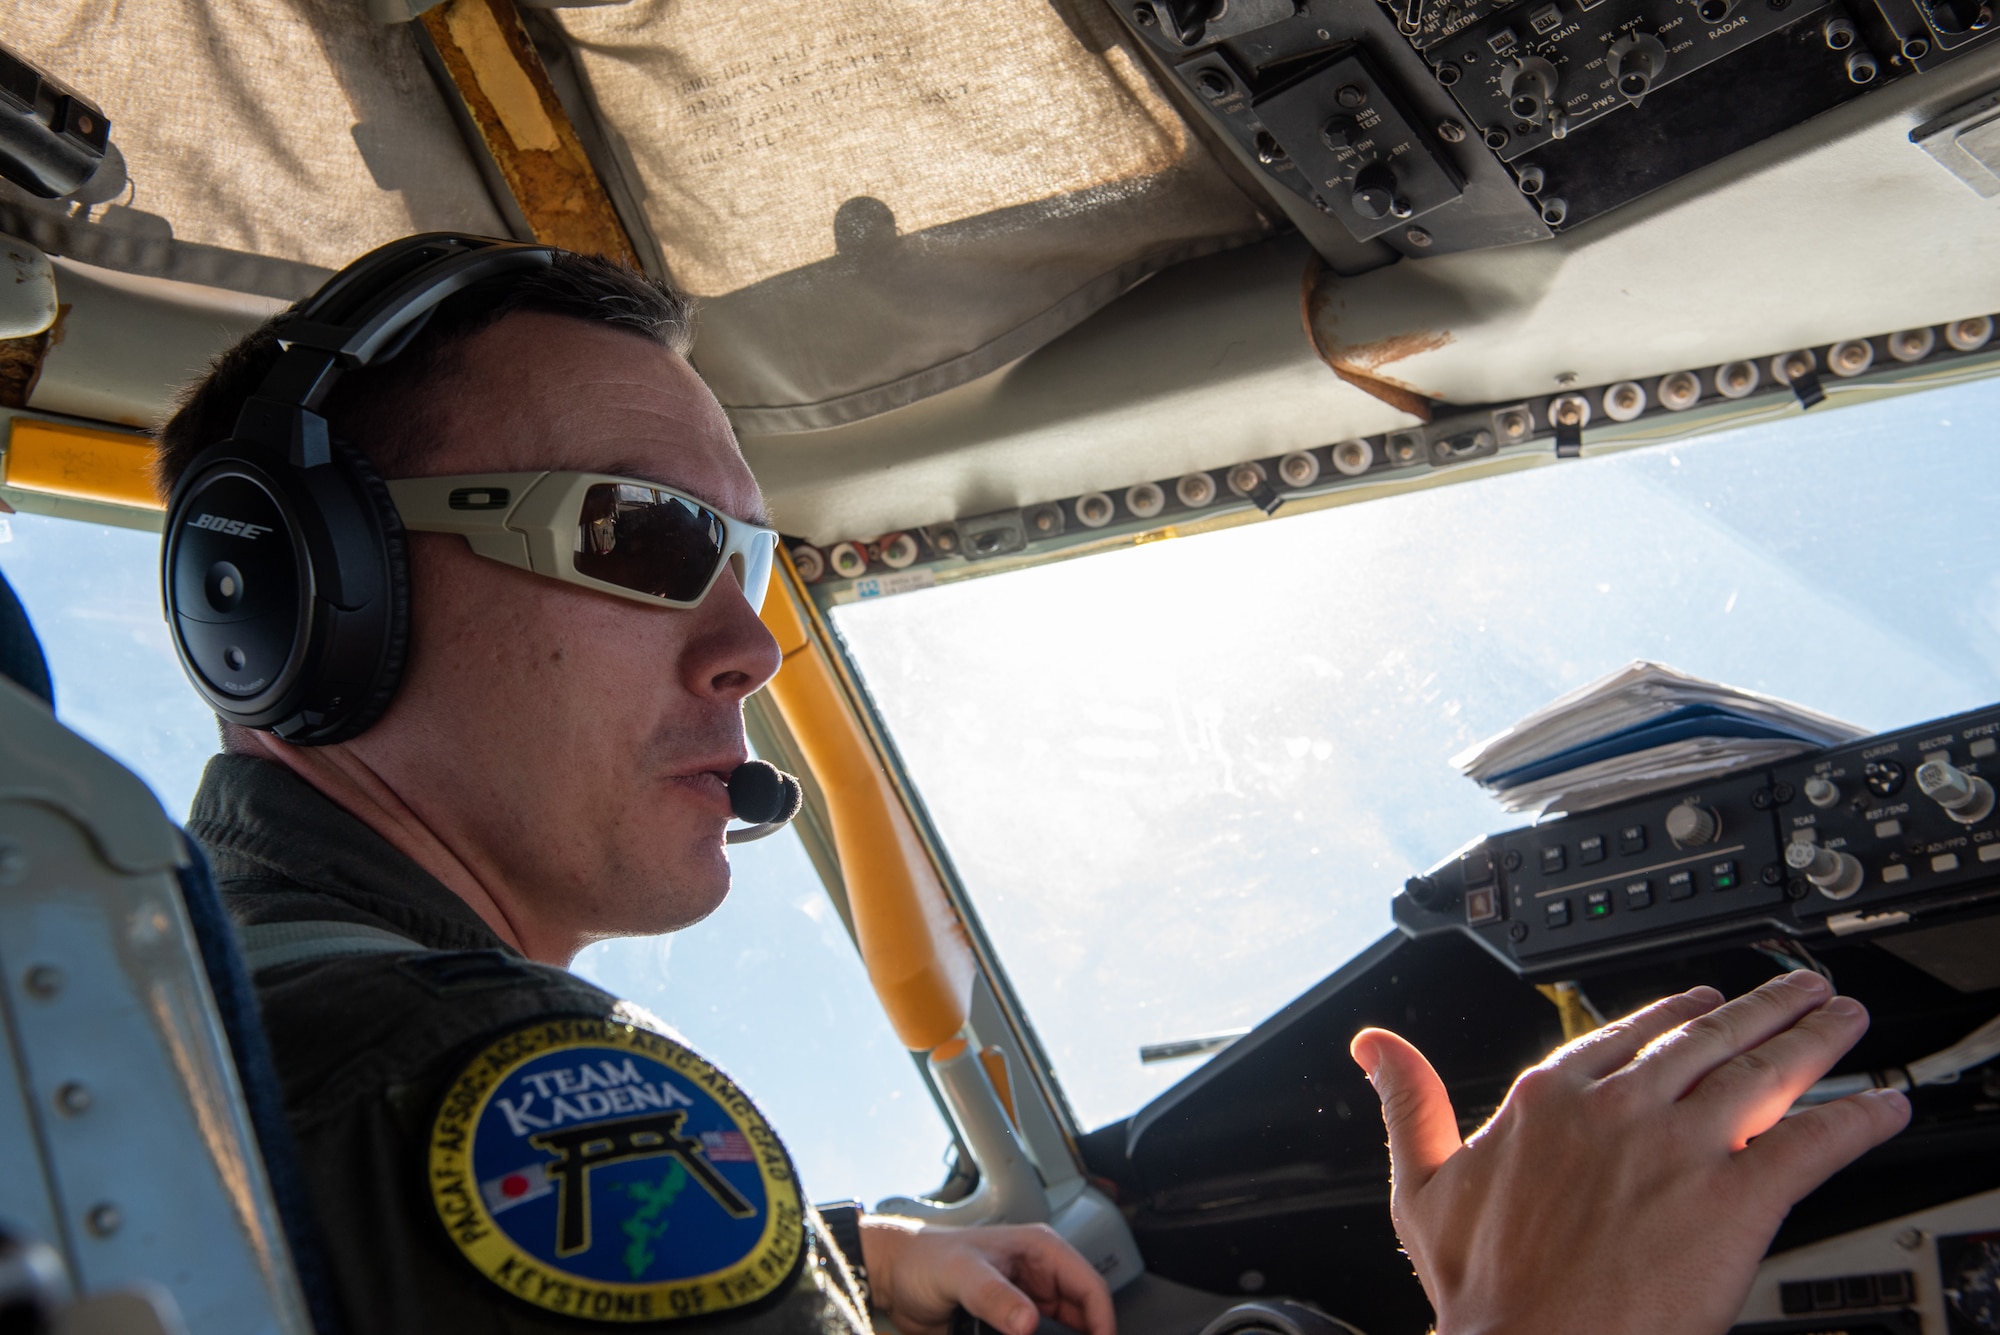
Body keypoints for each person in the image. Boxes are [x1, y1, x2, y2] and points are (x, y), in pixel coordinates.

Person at [152, 242, 1909, 1335]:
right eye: (642, 534)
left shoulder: (215, 1031)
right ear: (295, 595)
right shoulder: (482, 1092)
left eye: (751, 563)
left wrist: (843, 1256)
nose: (747, 646)